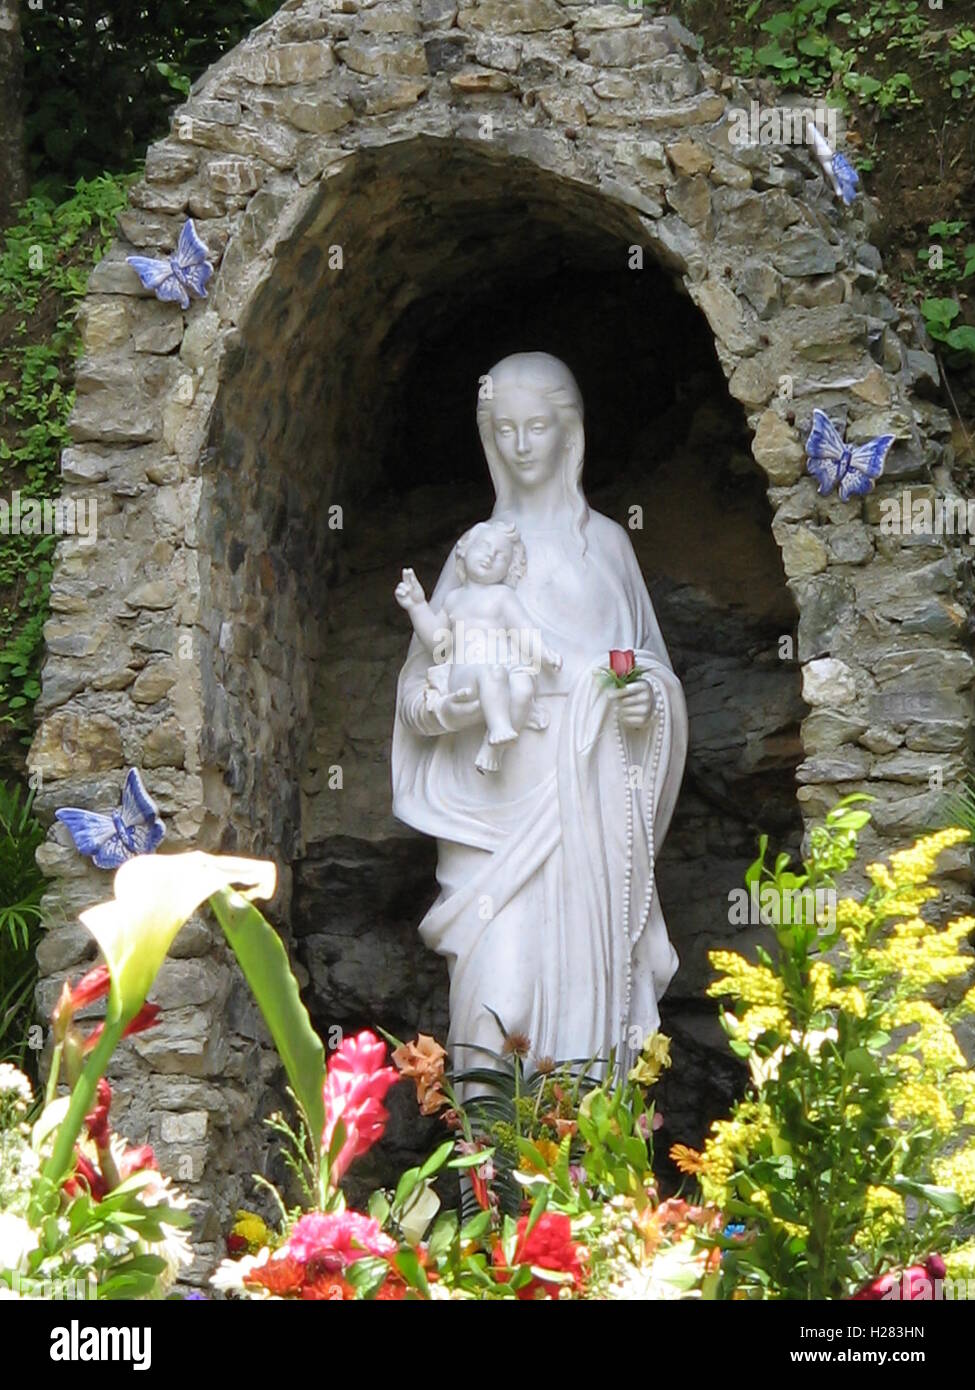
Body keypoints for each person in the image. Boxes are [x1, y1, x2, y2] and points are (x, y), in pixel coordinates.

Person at [392, 352, 688, 1081]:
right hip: (491, 807)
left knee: (593, 997)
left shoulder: (608, 547)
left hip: (588, 797)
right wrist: (452, 706)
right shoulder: (474, 554)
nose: (522, 446)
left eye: (537, 427)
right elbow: (417, 691)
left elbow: (644, 667)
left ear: (570, 434)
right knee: (493, 997)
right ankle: (487, 1181)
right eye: (504, 429)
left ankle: (589, 1179)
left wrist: (645, 699)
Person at [394, 519, 562, 774]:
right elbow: (437, 643)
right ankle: (499, 728)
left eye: (501, 556)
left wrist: (544, 653)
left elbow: (523, 630)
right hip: (468, 668)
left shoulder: (503, 596)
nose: (490, 557)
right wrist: (417, 607)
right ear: (464, 550)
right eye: (484, 547)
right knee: (491, 674)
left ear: (509, 568)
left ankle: (494, 747)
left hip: (506, 663)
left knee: (524, 688)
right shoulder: (454, 599)